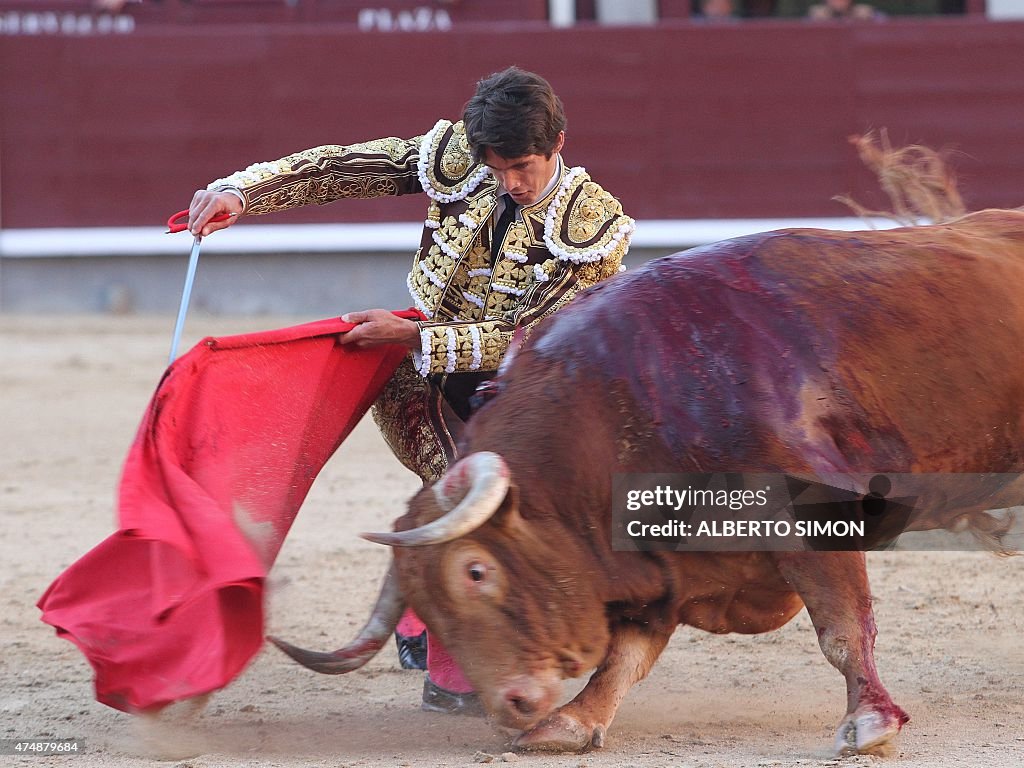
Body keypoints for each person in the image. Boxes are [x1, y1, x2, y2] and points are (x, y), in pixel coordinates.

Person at [187, 66, 635, 714]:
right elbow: (345, 168)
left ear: (559, 143)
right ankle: (452, 670)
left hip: (530, 394)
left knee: (514, 508)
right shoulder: (460, 157)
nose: (509, 182)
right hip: (414, 373)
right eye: (497, 166)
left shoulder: (596, 227)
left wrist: (408, 333)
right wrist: (243, 192)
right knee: (472, 501)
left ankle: (422, 619)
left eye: (523, 167)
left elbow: (532, 337)